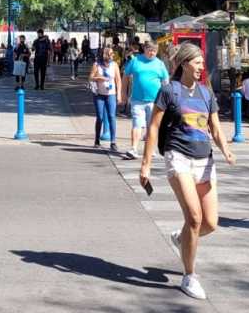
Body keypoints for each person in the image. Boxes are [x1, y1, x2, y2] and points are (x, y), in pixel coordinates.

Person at [139, 43, 234, 300]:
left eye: (202, 62)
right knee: (194, 218)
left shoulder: (206, 93)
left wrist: (226, 149)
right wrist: (146, 164)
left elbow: (214, 128)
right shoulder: (169, 91)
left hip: (205, 160)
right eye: (198, 62)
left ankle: (182, 239)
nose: (202, 66)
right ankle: (189, 276)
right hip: (178, 157)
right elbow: (154, 128)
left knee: (210, 223)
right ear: (184, 64)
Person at [122, 42, 169, 159]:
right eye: (150, 50)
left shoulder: (160, 64)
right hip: (137, 100)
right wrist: (123, 93)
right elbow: (125, 76)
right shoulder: (135, 61)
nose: (152, 53)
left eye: (154, 51)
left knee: (151, 126)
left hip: (155, 101)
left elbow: (165, 82)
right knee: (137, 124)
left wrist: (166, 99)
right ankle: (133, 149)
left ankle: (150, 149)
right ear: (144, 49)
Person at [90, 47, 122, 152]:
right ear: (106, 54)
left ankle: (113, 142)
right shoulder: (97, 64)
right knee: (99, 117)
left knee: (112, 116)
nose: (113, 55)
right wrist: (100, 78)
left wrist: (119, 95)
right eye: (111, 53)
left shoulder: (115, 65)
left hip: (111, 94)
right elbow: (90, 77)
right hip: (99, 94)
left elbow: (118, 80)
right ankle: (97, 140)